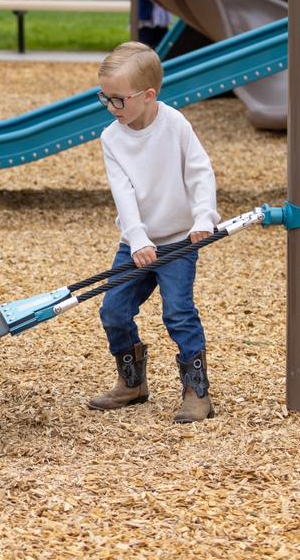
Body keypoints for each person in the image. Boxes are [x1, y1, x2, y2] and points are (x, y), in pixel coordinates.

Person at [86, 41, 220, 423]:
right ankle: (132, 384)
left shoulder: (175, 125)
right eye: (105, 99)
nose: (111, 109)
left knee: (178, 312)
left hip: (178, 239)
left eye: (118, 100)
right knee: (113, 310)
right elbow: (123, 194)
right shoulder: (112, 138)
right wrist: (139, 238)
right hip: (136, 242)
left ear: (147, 96)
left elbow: (199, 173)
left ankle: (197, 392)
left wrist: (202, 218)